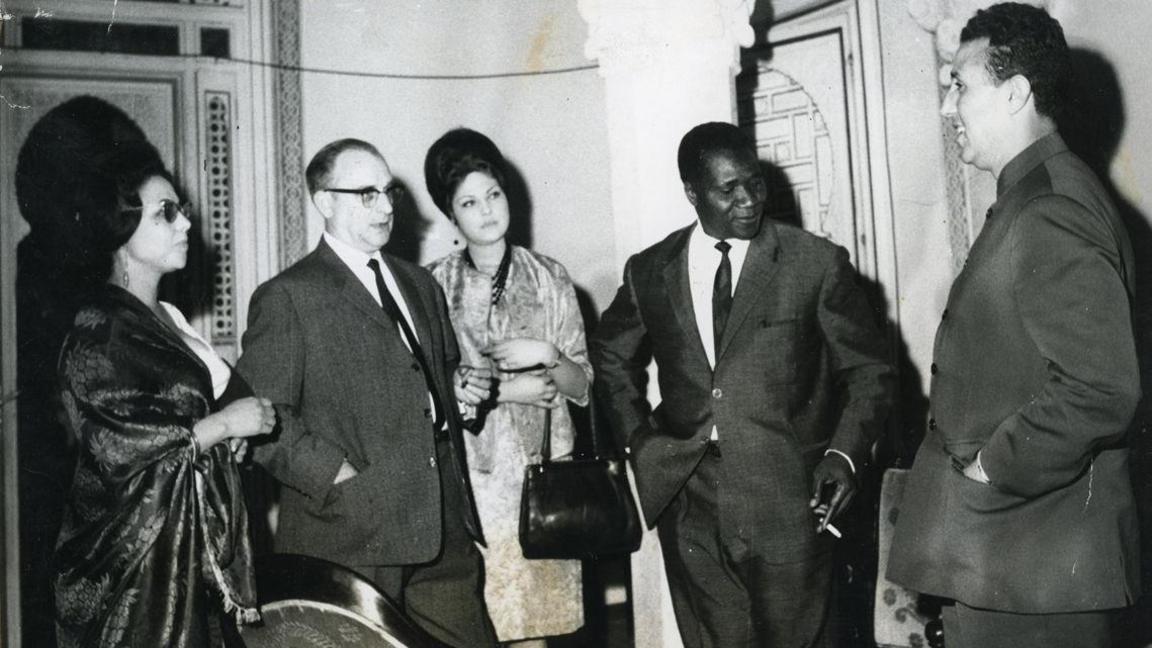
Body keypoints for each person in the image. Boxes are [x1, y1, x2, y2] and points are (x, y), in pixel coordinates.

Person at [886, 5, 1141, 648]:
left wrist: (990, 469)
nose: (949, 108)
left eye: (959, 85)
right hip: (1018, 564)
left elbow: (1102, 388)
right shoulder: (1036, 193)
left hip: (1035, 570)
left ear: (1016, 92)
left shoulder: (1051, 206)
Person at [590, 121, 892, 647]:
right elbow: (610, 357)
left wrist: (843, 456)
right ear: (692, 193)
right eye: (728, 189)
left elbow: (870, 372)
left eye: (754, 182)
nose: (749, 199)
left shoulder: (814, 263)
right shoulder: (650, 271)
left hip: (790, 499)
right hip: (691, 504)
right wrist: (640, 440)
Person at [235, 138, 499, 647]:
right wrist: (335, 474)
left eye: (388, 191)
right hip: (353, 532)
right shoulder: (288, 296)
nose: (384, 206)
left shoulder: (420, 284)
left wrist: (455, 390)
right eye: (366, 194)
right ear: (324, 202)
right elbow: (261, 416)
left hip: (442, 525)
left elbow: (426, 378)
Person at [54, 142, 272, 647]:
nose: (186, 225)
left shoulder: (167, 320)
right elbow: (121, 446)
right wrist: (224, 425)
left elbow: (184, 429)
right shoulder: (98, 327)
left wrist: (224, 438)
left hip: (190, 558)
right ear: (120, 228)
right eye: (166, 213)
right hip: (135, 571)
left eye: (183, 211)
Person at [424, 128, 593, 645]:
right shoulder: (432, 286)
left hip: (542, 480)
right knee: (474, 628)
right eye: (469, 202)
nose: (487, 211)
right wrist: (505, 389)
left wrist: (547, 355)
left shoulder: (550, 277)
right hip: (470, 482)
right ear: (451, 215)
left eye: (493, 195)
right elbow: (428, 390)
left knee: (534, 632)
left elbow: (582, 387)